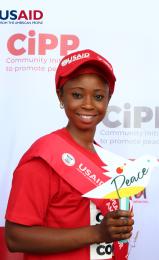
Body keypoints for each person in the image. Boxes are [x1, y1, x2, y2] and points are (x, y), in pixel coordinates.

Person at [5, 49, 134, 260]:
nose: (88, 104)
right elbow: (15, 237)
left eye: (99, 96)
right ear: (60, 95)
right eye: (77, 94)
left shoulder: (107, 160)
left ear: (108, 100)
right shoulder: (43, 158)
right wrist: (97, 233)